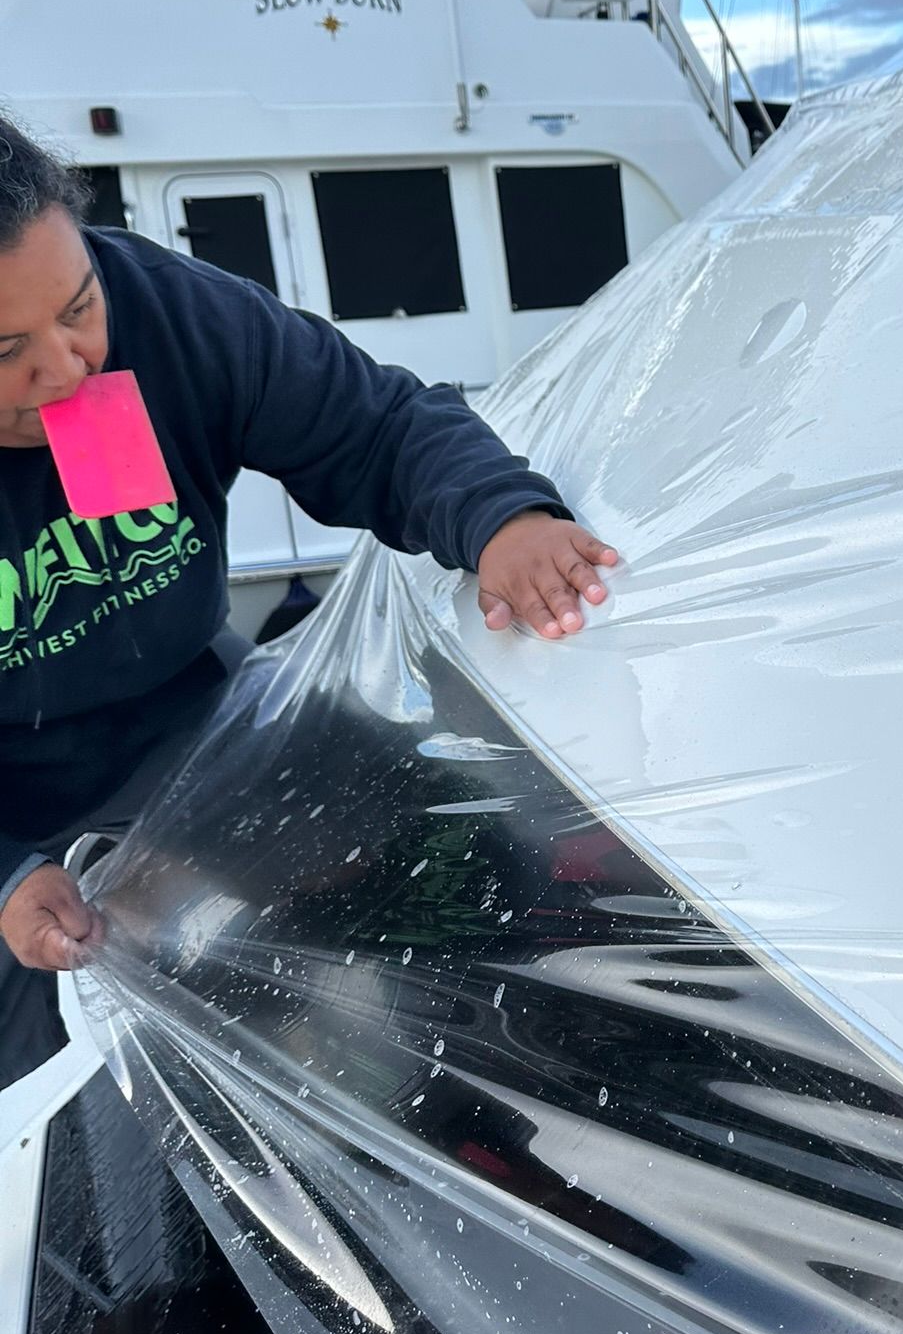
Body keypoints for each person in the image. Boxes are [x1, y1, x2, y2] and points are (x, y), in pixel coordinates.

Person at [0, 113, 619, 1089]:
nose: (70, 366)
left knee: (465, 866)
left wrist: (501, 519)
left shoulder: (165, 317)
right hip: (11, 788)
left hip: (190, 711)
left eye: (78, 306)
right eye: (7, 351)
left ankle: (545, 1077)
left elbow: (373, 424)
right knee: (70, 1079)